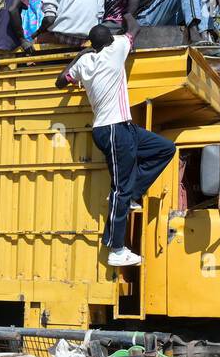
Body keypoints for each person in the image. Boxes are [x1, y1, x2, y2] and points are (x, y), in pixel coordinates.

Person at [56, 22, 176, 268]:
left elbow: (60, 81)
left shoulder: (84, 63)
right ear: (109, 41)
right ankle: (117, 249)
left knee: (165, 149)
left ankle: (131, 194)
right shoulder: (117, 48)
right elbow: (136, 27)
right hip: (112, 129)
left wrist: (80, 54)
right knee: (119, 190)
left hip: (123, 127)